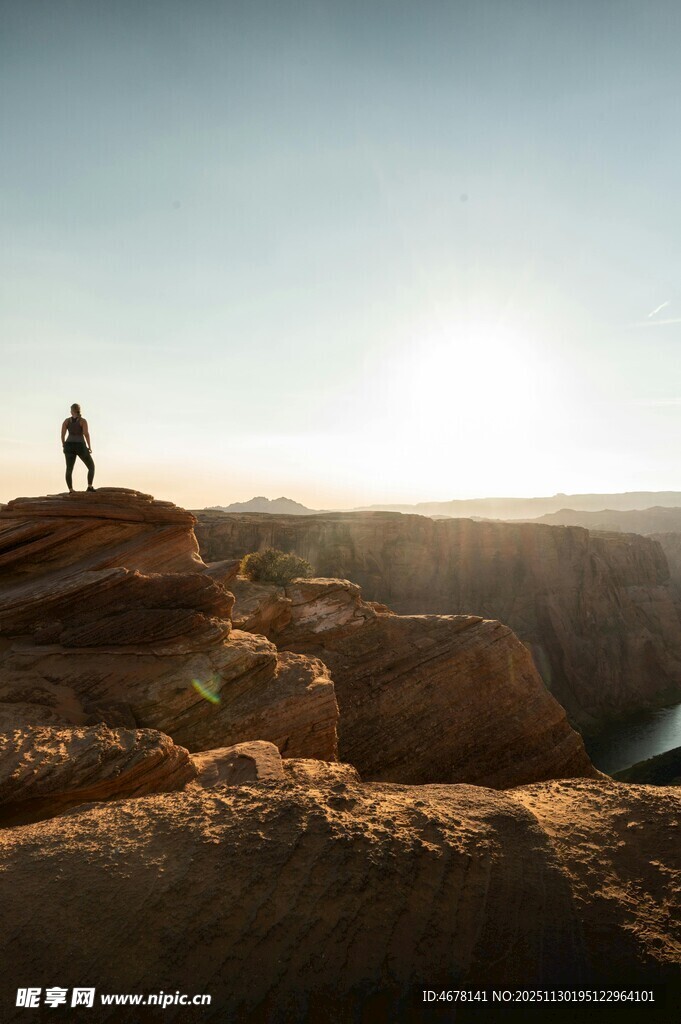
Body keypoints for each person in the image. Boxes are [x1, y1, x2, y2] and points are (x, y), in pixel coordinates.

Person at [61, 403, 96, 492]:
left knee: (69, 468)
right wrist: (89, 446)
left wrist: (64, 444)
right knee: (91, 466)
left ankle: (71, 489)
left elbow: (62, 434)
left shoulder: (67, 421)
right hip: (80, 445)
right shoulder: (82, 421)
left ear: (72, 411)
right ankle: (89, 486)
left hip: (69, 445)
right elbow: (86, 434)